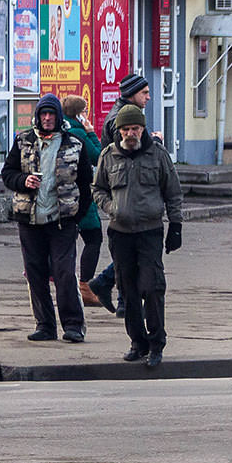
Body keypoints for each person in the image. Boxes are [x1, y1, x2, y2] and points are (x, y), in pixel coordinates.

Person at [92, 103, 184, 368]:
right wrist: (112, 208)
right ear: (119, 131)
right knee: (128, 290)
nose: (130, 134)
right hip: (120, 233)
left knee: (152, 288)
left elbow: (173, 192)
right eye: (126, 129)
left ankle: (157, 344)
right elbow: (98, 189)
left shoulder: (157, 155)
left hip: (150, 231)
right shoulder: (109, 155)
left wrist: (176, 226)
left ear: (142, 129)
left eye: (135, 128)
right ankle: (137, 342)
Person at [1, 93, 94, 343]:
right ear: (37, 116)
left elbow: (86, 183)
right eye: (43, 114)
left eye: (52, 114)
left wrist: (77, 215)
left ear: (58, 116)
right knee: (35, 274)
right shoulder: (23, 141)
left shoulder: (74, 143)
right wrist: (23, 180)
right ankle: (45, 324)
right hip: (29, 221)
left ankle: (73, 325)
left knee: (64, 273)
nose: (48, 118)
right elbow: (7, 173)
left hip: (62, 220)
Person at [89, 73, 160, 310]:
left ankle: (121, 299)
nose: (149, 97)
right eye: (145, 93)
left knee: (130, 250)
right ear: (132, 94)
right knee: (131, 251)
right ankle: (106, 284)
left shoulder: (128, 114)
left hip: (128, 191)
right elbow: (133, 152)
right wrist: (156, 143)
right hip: (123, 192)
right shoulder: (122, 119)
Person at [62, 94, 113, 312]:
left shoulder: (63, 129)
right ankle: (85, 286)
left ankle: (73, 286)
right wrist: (92, 133)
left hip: (64, 196)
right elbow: (99, 157)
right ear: (80, 114)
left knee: (67, 241)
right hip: (82, 195)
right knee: (93, 238)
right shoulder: (80, 133)